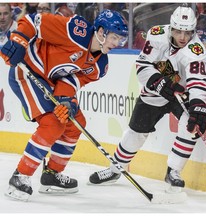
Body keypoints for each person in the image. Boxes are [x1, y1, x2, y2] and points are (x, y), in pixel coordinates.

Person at [0, 9, 128, 201]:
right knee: (53, 123)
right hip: (27, 71)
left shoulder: (100, 66)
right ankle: (20, 176)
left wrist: (66, 102)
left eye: (121, 39)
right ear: (101, 32)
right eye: (114, 37)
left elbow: (71, 82)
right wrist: (19, 41)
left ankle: (52, 174)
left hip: (50, 81)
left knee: (75, 122)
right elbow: (33, 21)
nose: (117, 44)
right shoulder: (76, 31)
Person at [89, 6, 206, 191]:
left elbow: (198, 81)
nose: (182, 37)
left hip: (180, 94)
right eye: (178, 31)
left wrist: (198, 104)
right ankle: (115, 169)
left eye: (187, 32)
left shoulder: (196, 50)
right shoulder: (156, 34)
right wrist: (159, 83)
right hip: (155, 92)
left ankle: (174, 171)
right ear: (171, 27)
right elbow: (142, 65)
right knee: (135, 133)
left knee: (191, 124)